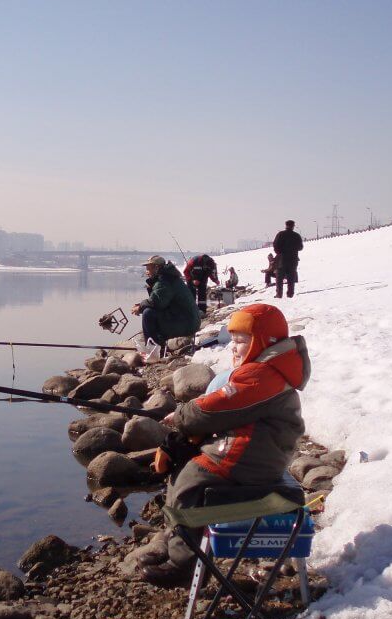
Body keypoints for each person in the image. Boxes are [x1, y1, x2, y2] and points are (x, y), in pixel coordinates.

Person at [124, 303, 309, 587]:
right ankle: (177, 540)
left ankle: (184, 564)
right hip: (256, 449)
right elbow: (233, 408)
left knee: (191, 479)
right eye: (232, 341)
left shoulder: (261, 375)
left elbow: (218, 406)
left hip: (252, 457)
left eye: (241, 341)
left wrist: (183, 416)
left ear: (263, 342)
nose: (233, 348)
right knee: (181, 465)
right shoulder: (268, 368)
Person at [130, 255, 201, 357]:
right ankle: (159, 348)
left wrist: (140, 307)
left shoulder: (165, 280)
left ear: (157, 267)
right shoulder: (168, 277)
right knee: (150, 312)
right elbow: (159, 301)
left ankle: (154, 351)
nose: (147, 271)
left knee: (148, 314)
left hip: (186, 323)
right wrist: (142, 304)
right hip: (187, 319)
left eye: (149, 268)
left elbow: (156, 302)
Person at [272, 219, 304, 299]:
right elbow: (300, 247)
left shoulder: (280, 234)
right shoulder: (296, 235)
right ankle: (290, 294)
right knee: (291, 277)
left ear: (286, 225)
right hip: (293, 259)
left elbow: (275, 245)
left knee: (279, 278)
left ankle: (279, 294)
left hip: (282, 259)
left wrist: (279, 252)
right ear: (293, 226)